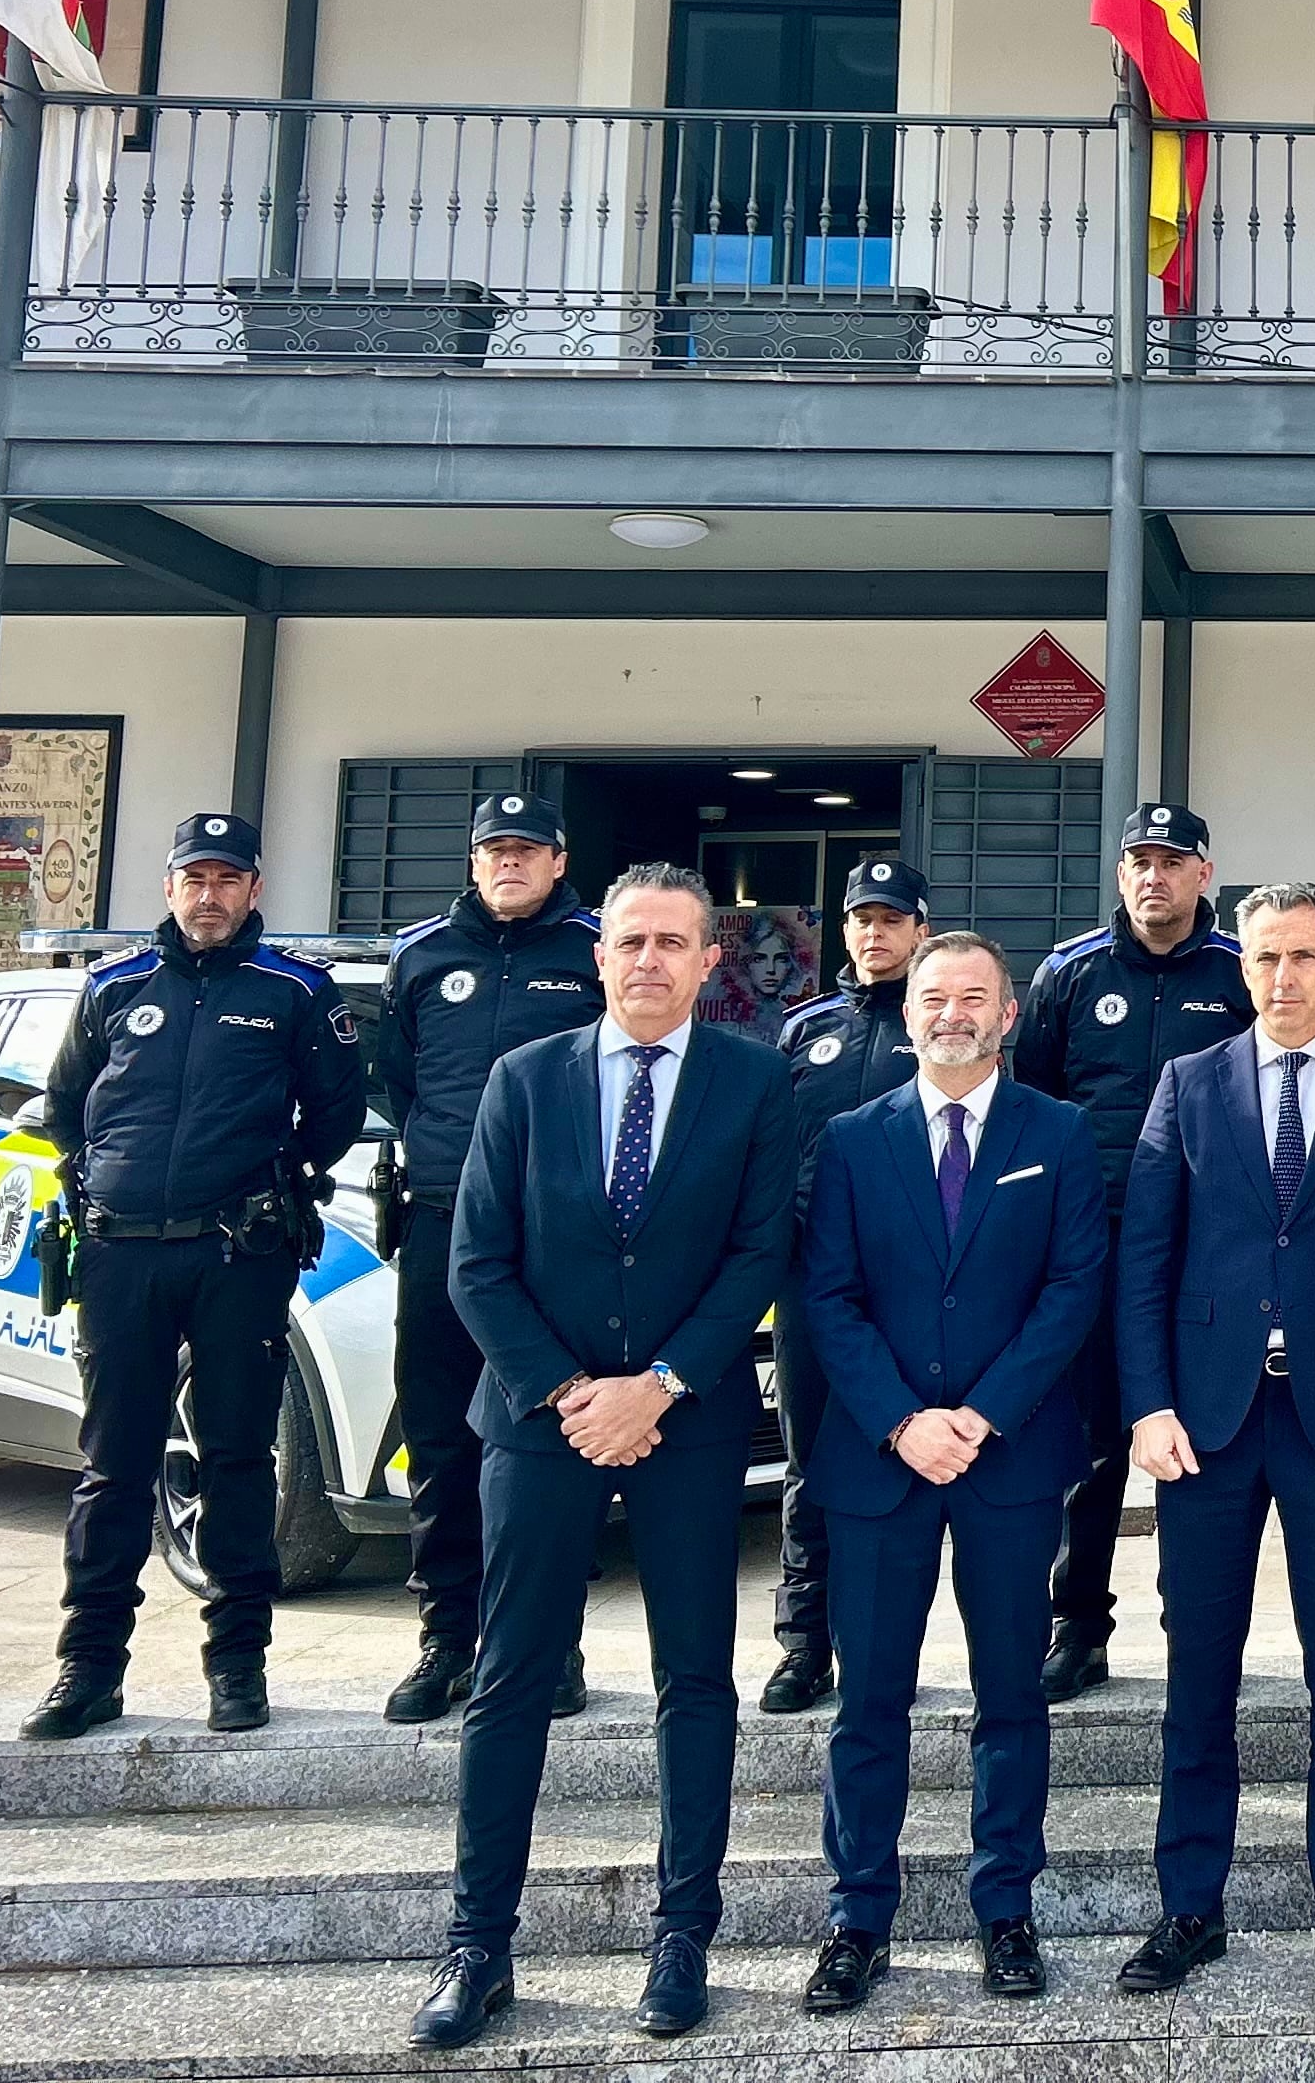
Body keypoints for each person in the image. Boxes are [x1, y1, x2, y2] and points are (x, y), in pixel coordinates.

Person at [409, 865, 799, 2052]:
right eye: (631, 939)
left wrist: (661, 1386)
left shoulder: (754, 1081)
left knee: (695, 1680)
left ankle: (684, 1937)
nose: (649, 961)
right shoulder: (526, 1081)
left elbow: (757, 1252)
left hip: (687, 1420)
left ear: (708, 961)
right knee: (512, 1677)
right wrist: (576, 1393)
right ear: (600, 955)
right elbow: (477, 1263)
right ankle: (477, 1946)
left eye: (674, 943)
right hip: (544, 1421)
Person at [1111, 884, 1315, 1999]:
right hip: (1204, 1424)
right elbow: (1143, 1260)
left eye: (1305, 957)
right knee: (1198, 1672)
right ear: (1240, 967)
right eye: (1266, 959)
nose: (1285, 977)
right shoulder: (1186, 1086)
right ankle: (1187, 1908)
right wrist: (1147, 1405)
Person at [793, 932, 1109, 2013]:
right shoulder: (848, 1140)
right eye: (935, 996)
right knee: (869, 1699)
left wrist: (975, 1415)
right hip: (879, 1461)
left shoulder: (1058, 1135)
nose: (952, 1013)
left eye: (974, 996)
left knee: (1010, 1697)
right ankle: (856, 1918)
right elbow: (824, 1298)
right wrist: (899, 1421)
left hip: (1008, 1457)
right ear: (909, 1010)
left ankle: (1005, 1910)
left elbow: (1073, 1291)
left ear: (1009, 1014)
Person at [24, 810, 364, 1744]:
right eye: (193, 879)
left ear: (254, 890)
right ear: (168, 889)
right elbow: (65, 1107)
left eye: (227, 880)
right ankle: (87, 1669)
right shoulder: (111, 985)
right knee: (112, 1466)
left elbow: (337, 1111)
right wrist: (100, 1182)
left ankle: (237, 1668)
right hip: (123, 1252)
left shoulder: (296, 991)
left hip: (235, 1255)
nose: (208, 897)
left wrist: (271, 1181)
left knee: (238, 1460)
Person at [365, 792, 603, 1728]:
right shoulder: (422, 956)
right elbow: (399, 1077)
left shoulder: (590, 948)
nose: (509, 863)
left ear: (556, 860)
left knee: (558, 1434)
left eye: (527, 850)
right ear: (472, 861)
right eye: (494, 850)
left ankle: (553, 1645)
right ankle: (445, 1639)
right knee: (441, 1435)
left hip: (557, 1235)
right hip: (442, 1226)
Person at [1010, 803, 1252, 1699]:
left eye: (1172, 861)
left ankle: (1195, 1622)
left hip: (1210, 1245)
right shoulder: (1070, 973)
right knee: (1093, 1440)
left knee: (1204, 1433)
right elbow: (1026, 1104)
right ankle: (1077, 1627)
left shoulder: (1237, 975)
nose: (1154, 876)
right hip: (1094, 1242)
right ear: (1120, 876)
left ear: (1203, 876)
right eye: (1139, 861)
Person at [765, 854, 937, 1717]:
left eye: (892, 919)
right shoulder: (804, 1029)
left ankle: (887, 1641)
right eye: (862, 919)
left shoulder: (941, 1026)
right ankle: (804, 1644)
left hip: (913, 1278)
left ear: (920, 931)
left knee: (906, 1452)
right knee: (810, 1457)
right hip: (812, 1275)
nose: (875, 933)